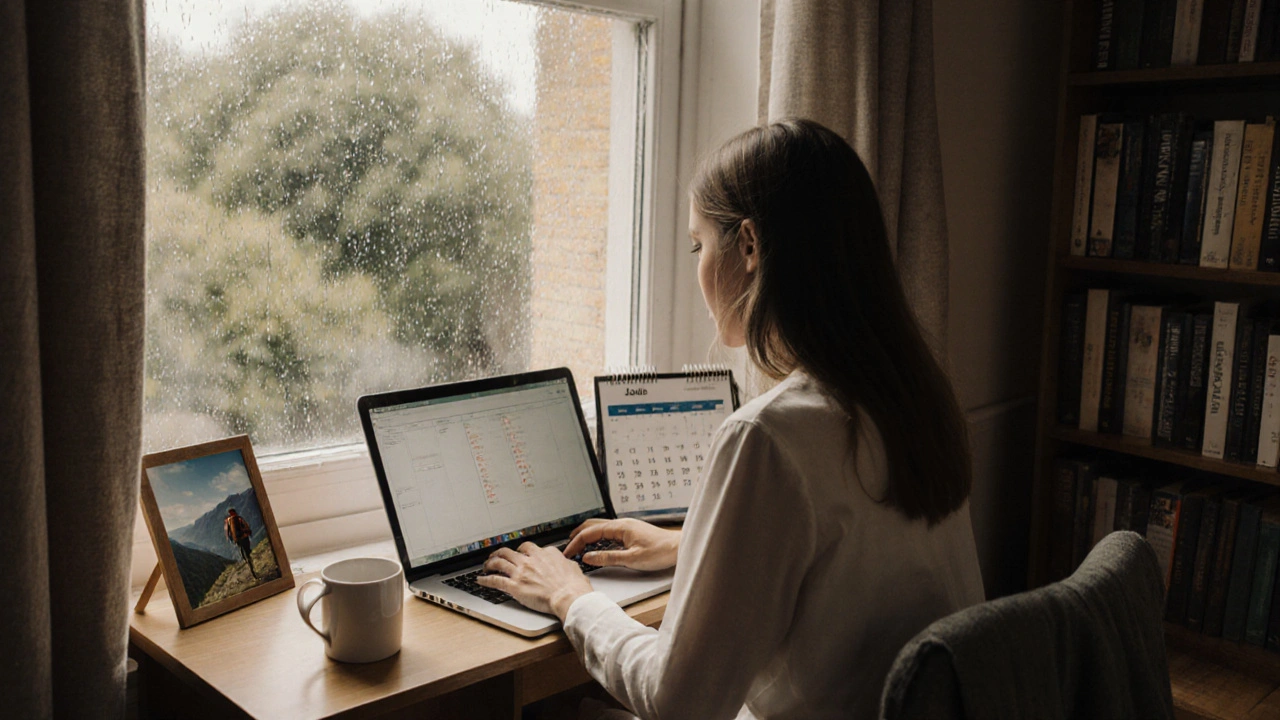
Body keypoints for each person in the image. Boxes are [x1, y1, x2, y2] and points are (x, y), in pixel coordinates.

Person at [477, 119, 984, 719]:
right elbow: (848, 560)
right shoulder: (911, 401)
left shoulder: (768, 436)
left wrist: (571, 596)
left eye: (699, 245)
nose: (698, 267)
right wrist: (690, 543)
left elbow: (679, 703)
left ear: (749, 246)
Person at [225, 508, 258, 579]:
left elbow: (228, 533)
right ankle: (251, 565)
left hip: (239, 540)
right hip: (244, 538)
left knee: (244, 553)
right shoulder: (239, 519)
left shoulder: (229, 521)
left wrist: (232, 539)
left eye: (230, 513)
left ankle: (250, 565)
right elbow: (246, 527)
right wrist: (247, 532)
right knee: (247, 552)